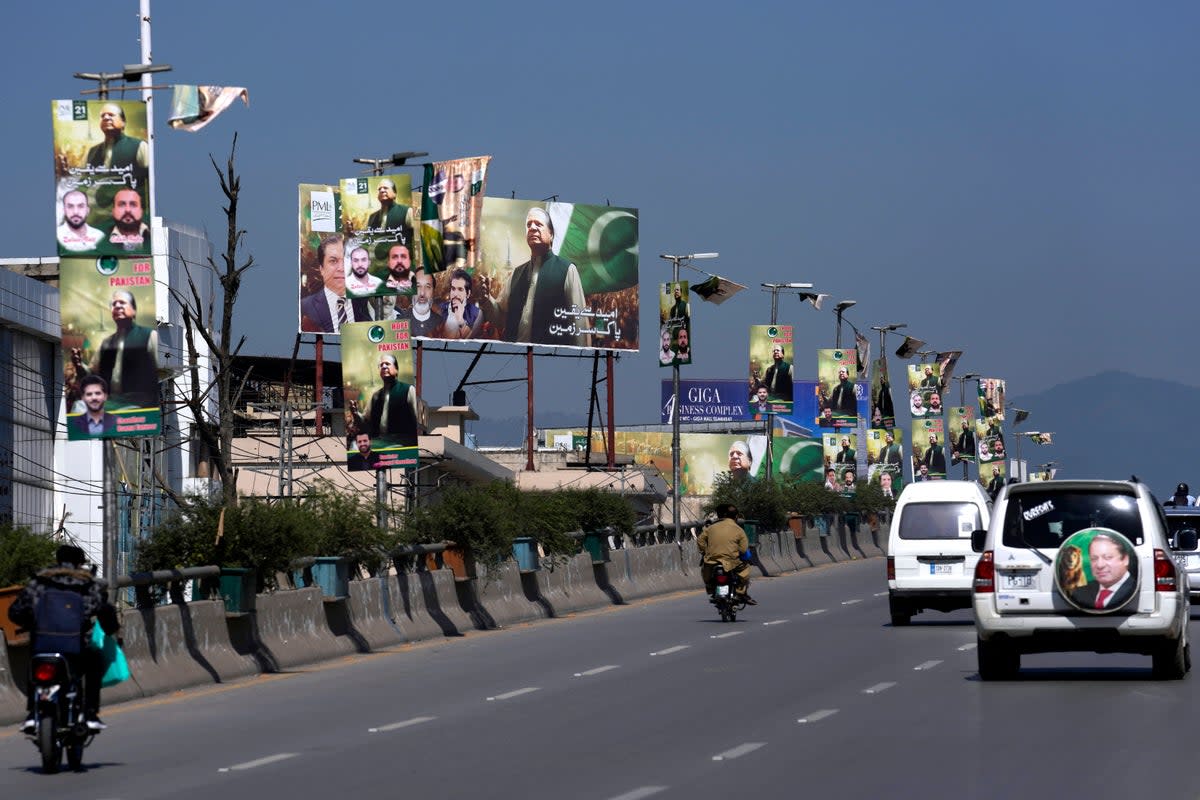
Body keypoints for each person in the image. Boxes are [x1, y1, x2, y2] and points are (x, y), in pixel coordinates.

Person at [8, 544, 120, 732]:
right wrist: (111, 630)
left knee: (34, 666)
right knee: (94, 663)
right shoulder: (86, 582)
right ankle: (90, 714)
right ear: (81, 562)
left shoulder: (40, 581)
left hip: (43, 644)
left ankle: (31, 714)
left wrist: (32, 623)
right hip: (75, 646)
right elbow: (102, 608)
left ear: (57, 559)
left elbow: (16, 610)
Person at [478, 207, 589, 347]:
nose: (532, 227)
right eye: (528, 224)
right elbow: (500, 318)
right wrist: (486, 299)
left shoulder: (567, 270)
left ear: (551, 234)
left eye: (538, 224)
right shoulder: (516, 274)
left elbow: (579, 326)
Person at [71, 290, 159, 408]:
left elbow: (161, 372)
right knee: (79, 406)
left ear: (134, 310)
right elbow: (92, 374)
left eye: (122, 302)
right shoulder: (106, 343)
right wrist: (79, 365)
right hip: (111, 402)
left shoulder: (149, 335)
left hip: (139, 403)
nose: (117, 306)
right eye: (114, 304)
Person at [300, 234, 369, 333]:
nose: (341, 268)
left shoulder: (365, 302)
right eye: (333, 261)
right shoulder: (305, 307)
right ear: (321, 269)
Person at [350, 353, 419, 446]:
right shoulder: (375, 396)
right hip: (380, 441)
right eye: (381, 365)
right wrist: (355, 414)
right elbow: (365, 424)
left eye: (387, 363)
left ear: (396, 369)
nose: (383, 366)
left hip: (402, 442)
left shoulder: (408, 390)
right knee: (355, 446)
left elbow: (417, 421)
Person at [697, 503, 755, 605]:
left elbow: (700, 540)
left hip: (711, 562)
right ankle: (740, 593)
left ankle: (712, 589)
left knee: (705, 572)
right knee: (745, 570)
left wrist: (705, 552)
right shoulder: (739, 530)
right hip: (732, 562)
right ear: (736, 516)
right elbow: (743, 549)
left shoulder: (710, 528)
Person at [85, 102, 148, 187]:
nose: (106, 118)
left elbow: (149, 178)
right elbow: (87, 180)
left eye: (111, 115)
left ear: (123, 122)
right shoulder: (93, 151)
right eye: (102, 116)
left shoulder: (139, 146)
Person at [1071, 532, 1136, 610]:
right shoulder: (1080, 593)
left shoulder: (1136, 590)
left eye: (1108, 557)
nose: (1100, 565)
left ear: (1125, 559)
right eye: (1094, 559)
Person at [396, 268, 443, 338]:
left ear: (433, 292)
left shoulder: (442, 324)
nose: (422, 293)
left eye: (428, 287)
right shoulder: (398, 323)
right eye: (418, 286)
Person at [365, 178, 414, 243]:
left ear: (395, 193)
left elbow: (416, 236)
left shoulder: (407, 211)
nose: (382, 190)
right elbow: (367, 239)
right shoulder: (372, 217)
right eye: (379, 189)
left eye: (385, 188)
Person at [439, 268, 483, 340]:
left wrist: (460, 319)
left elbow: (467, 341)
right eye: (453, 289)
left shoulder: (476, 313)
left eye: (460, 289)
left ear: (468, 293)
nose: (455, 294)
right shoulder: (441, 309)